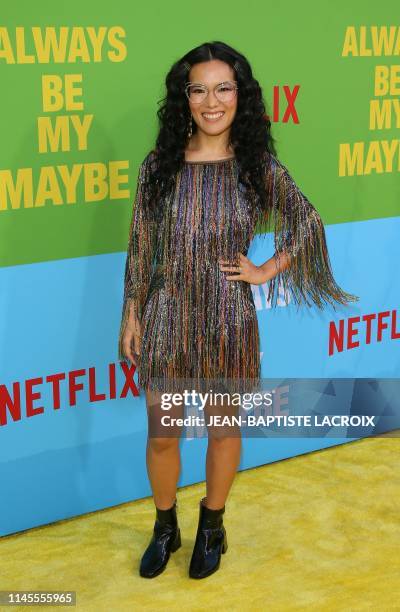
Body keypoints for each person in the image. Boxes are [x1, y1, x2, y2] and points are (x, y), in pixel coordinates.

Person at [118, 41, 358, 580]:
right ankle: (164, 526)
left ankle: (212, 525)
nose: (211, 101)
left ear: (239, 96)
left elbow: (309, 222)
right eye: (198, 89)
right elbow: (140, 245)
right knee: (162, 432)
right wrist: (131, 310)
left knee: (224, 429)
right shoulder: (158, 167)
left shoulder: (257, 166)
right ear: (184, 98)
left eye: (223, 88)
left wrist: (265, 270)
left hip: (228, 317)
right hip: (165, 314)